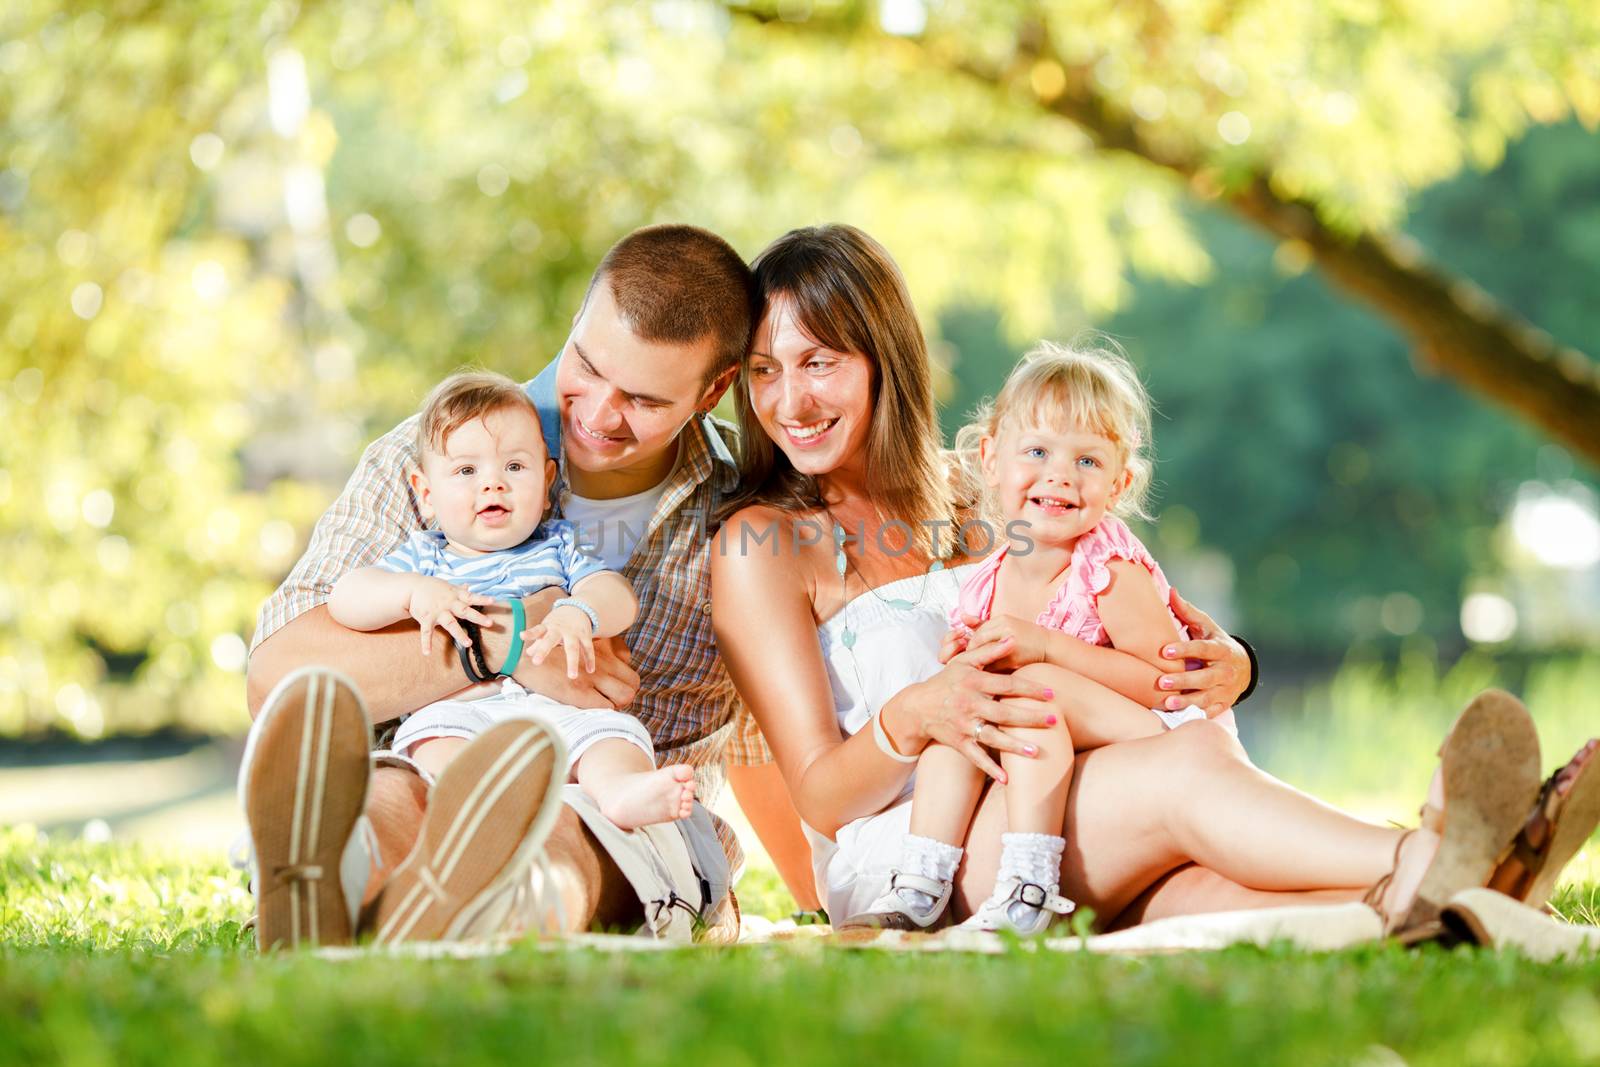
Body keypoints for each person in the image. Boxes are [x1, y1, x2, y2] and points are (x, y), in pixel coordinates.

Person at [711, 223, 1573, 939]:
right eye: (762, 370)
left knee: (1204, 896)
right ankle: (1433, 854)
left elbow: (1139, 626)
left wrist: (1234, 663)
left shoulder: (995, 492)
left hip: (1049, 811)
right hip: (913, 851)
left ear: (880, 358)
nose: (788, 399)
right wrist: (916, 712)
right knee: (1178, 776)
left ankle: (1460, 906)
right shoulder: (765, 544)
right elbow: (819, 794)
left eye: (817, 362)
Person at [242, 224, 787, 948]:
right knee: (384, 793)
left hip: (619, 803)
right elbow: (278, 678)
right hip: (430, 754)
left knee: (559, 827)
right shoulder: (443, 460)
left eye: (643, 400)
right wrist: (502, 644)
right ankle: (330, 880)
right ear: (575, 321)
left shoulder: (743, 516)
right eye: (586, 364)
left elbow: (787, 719)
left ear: (715, 389)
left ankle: (479, 907)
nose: (596, 413)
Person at [847, 340, 1245, 935]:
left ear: (1118, 483)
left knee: (1034, 692)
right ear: (990, 459)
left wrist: (1048, 647)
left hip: (1156, 738)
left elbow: (1169, 688)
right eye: (1037, 451)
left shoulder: (1109, 569)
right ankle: (920, 885)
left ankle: (1029, 888)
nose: (1060, 474)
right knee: (957, 720)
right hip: (1053, 745)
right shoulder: (987, 580)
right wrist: (970, 663)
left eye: (1087, 461)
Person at [327, 370, 696, 831]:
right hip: (461, 711)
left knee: (615, 736)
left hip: (560, 711)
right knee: (429, 742)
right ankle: (477, 809)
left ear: (546, 484)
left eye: (514, 468)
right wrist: (410, 593)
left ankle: (620, 791)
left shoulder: (559, 544)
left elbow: (616, 594)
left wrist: (579, 611)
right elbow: (345, 598)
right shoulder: (424, 556)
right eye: (466, 471)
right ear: (426, 492)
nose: (493, 485)